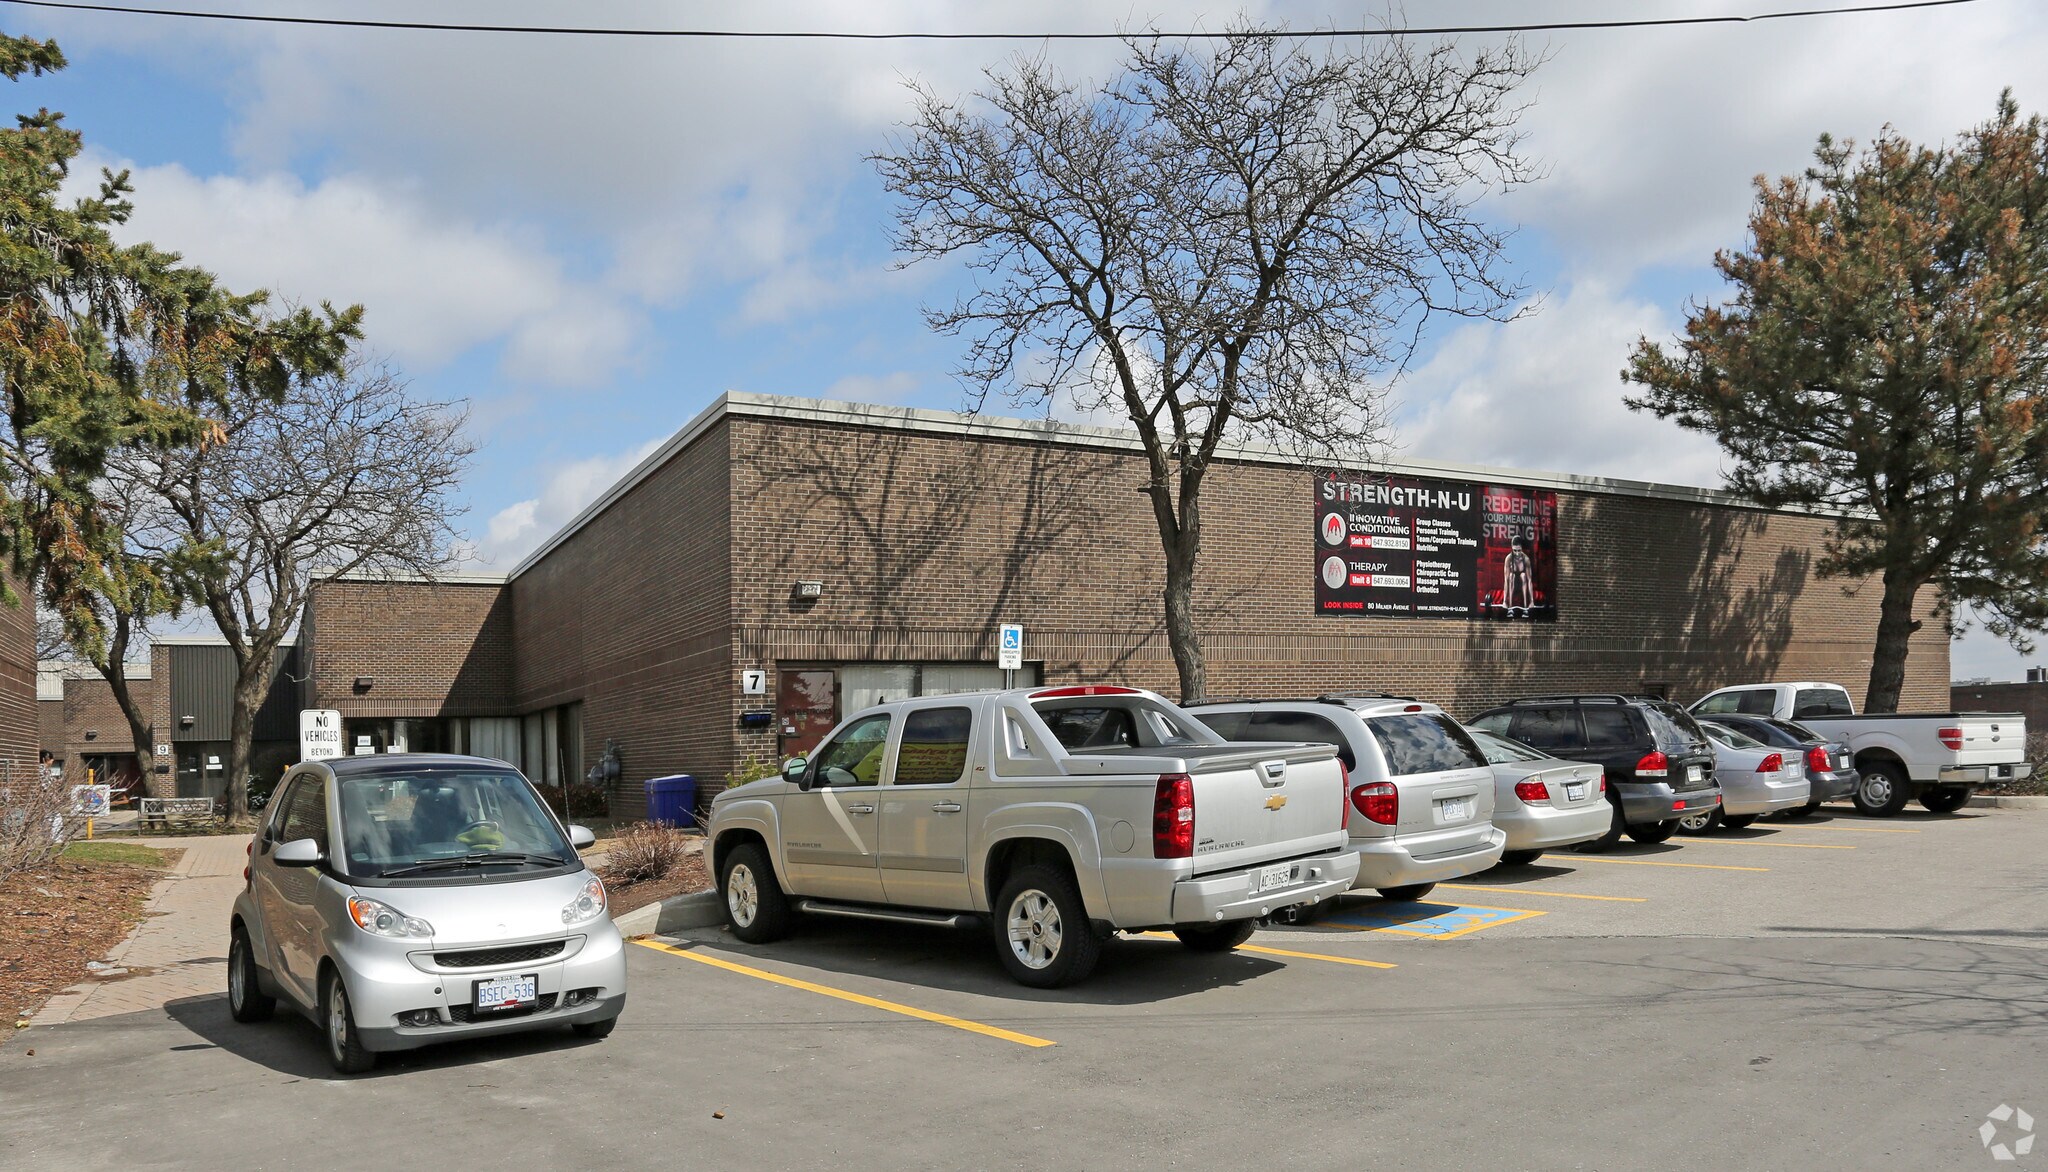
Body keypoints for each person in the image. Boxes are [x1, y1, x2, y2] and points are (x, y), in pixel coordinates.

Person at [1503, 535, 1535, 618]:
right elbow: (1506, 580)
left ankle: (1525, 608)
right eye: (1515, 550)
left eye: (1519, 550)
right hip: (1512, 581)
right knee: (1511, 576)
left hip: (1522, 582)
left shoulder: (1526, 559)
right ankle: (1510, 608)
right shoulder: (1508, 559)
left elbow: (1529, 581)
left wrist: (1532, 601)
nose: (1517, 553)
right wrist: (1504, 601)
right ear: (1512, 548)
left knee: (1524, 576)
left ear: (1522, 548)